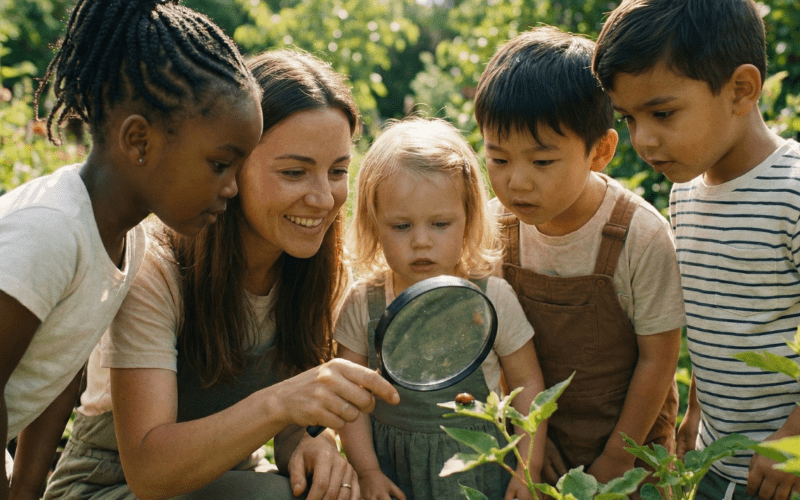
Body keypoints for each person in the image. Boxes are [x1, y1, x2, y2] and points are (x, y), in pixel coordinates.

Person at [43, 49, 399, 500]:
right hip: (107, 486)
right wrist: (279, 402)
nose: (323, 198)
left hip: (225, 481)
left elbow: (290, 428)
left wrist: (312, 445)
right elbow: (149, 472)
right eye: (294, 172)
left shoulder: (321, 275)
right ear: (232, 165)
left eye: (338, 171)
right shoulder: (159, 267)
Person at [0, 0, 265, 498]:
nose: (233, 188)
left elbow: (61, 368)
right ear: (139, 140)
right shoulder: (52, 230)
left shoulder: (128, 239)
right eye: (220, 164)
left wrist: (26, 491)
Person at [593, 1, 800, 498]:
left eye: (662, 113)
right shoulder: (684, 193)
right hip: (716, 462)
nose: (642, 139)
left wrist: (795, 440)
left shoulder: (792, 190)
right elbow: (714, 322)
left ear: (741, 90)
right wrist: (695, 411)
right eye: (629, 119)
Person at [473, 26, 686, 490]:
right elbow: (494, 344)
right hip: (536, 450)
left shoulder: (639, 236)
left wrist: (614, 460)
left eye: (542, 161)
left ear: (601, 151)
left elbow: (658, 362)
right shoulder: (493, 227)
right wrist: (530, 438)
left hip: (630, 452)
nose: (517, 183)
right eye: (499, 160)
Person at [335, 117, 546, 500]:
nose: (421, 241)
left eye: (440, 224)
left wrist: (525, 469)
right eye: (401, 226)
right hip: (392, 472)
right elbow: (352, 399)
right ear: (374, 224)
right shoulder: (364, 304)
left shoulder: (492, 298)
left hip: (478, 470)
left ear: (468, 220)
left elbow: (528, 385)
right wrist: (366, 471)